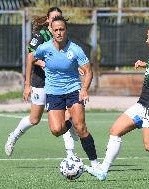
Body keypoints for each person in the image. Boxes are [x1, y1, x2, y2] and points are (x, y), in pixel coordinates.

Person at [84, 23, 149, 181]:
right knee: (115, 130)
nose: (147, 40)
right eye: (147, 37)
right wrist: (145, 64)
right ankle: (103, 171)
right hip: (143, 103)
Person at [5, 7, 78, 158]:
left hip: (57, 83)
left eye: (59, 17)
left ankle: (71, 155)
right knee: (34, 119)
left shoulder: (62, 37)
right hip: (40, 82)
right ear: (47, 21)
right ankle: (13, 137)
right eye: (54, 17)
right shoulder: (40, 36)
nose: (57, 20)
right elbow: (31, 57)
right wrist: (28, 84)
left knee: (64, 117)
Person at [27, 15, 99, 168]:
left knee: (81, 128)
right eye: (56, 30)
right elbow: (30, 58)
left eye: (62, 29)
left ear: (66, 30)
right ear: (51, 31)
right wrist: (27, 83)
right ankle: (70, 122)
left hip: (73, 90)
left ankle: (94, 163)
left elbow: (88, 71)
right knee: (56, 130)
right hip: (53, 92)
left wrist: (84, 89)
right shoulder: (45, 48)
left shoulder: (75, 49)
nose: (59, 32)